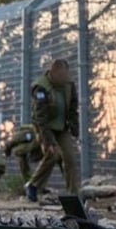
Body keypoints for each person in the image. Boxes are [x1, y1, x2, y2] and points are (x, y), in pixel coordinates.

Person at [24, 58, 80, 202]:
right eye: (60, 76)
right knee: (53, 155)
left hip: (62, 127)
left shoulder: (69, 85)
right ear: (53, 73)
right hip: (44, 127)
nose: (63, 79)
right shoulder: (41, 87)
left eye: (65, 75)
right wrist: (48, 141)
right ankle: (33, 185)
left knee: (70, 158)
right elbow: (40, 117)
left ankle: (73, 195)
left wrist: (74, 126)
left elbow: (73, 107)